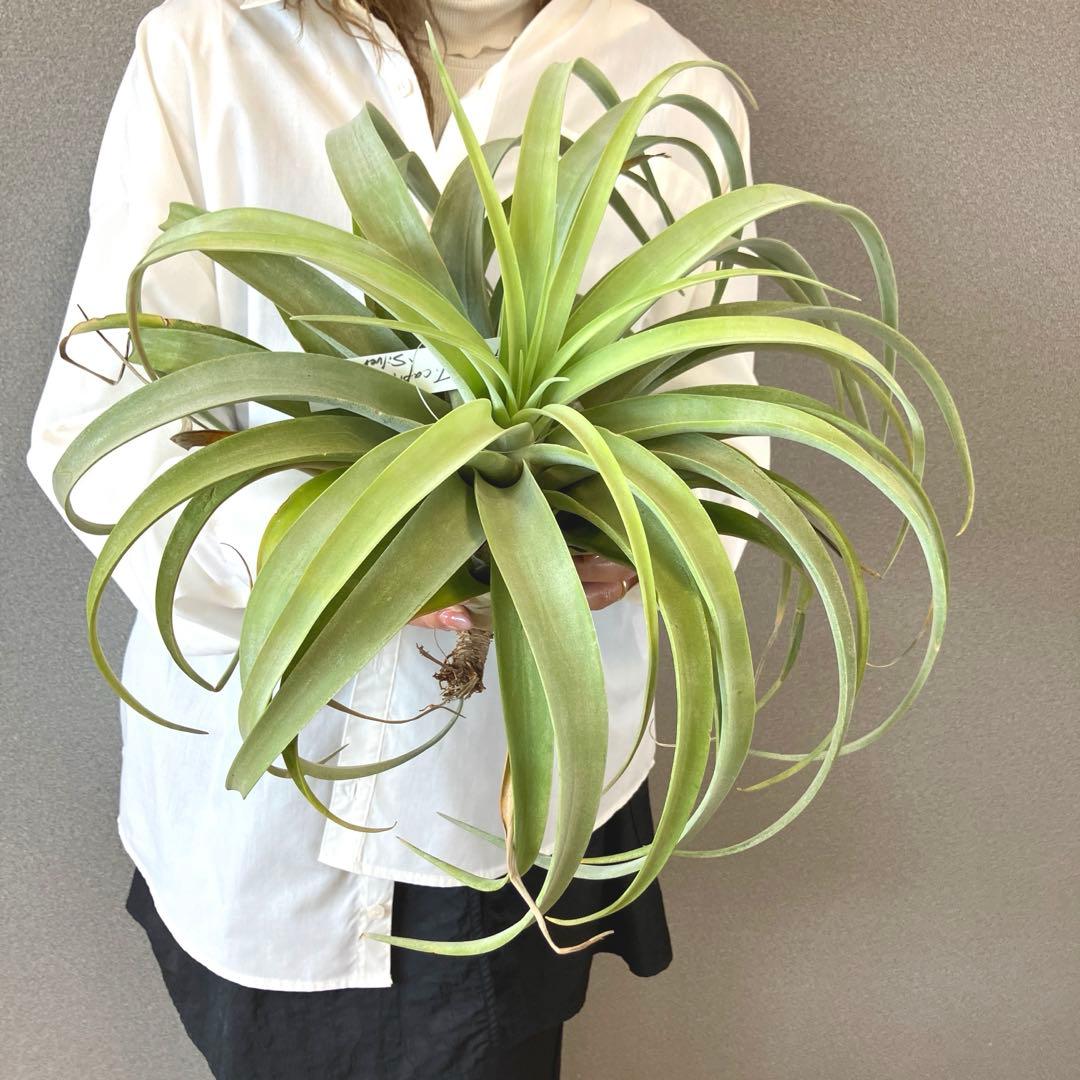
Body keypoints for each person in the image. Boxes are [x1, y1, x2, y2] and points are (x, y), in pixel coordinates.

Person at [26, 0, 763, 1076]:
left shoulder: (666, 82)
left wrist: (642, 540)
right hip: (269, 782)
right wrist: (325, 554)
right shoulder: (212, 44)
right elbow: (104, 419)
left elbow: (716, 417)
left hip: (512, 773)